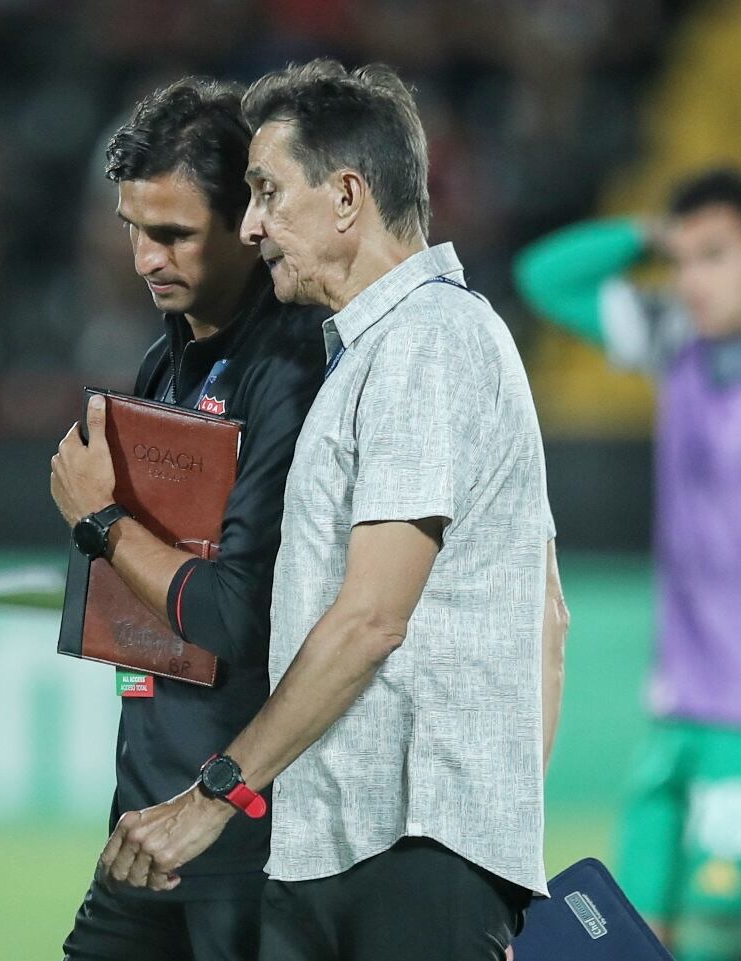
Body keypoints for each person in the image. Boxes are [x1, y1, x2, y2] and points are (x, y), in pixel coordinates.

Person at [99, 59, 564, 961]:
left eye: (268, 192)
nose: (252, 224)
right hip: (351, 839)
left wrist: (214, 795)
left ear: (346, 196)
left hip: (405, 846)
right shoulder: (379, 351)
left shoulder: (428, 340)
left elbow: (368, 620)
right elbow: (547, 613)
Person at [515, 168, 741, 960]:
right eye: (682, 260)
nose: (691, 279)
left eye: (715, 255)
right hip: (678, 711)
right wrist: (646, 236)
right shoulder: (678, 343)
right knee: (630, 940)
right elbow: (544, 279)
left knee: (718, 939)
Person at [49, 77, 325, 961]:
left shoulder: (288, 369)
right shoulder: (165, 365)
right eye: (134, 228)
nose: (145, 259)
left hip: (238, 840)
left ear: (247, 220)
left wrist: (102, 524)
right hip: (145, 829)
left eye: (173, 233)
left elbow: (238, 615)